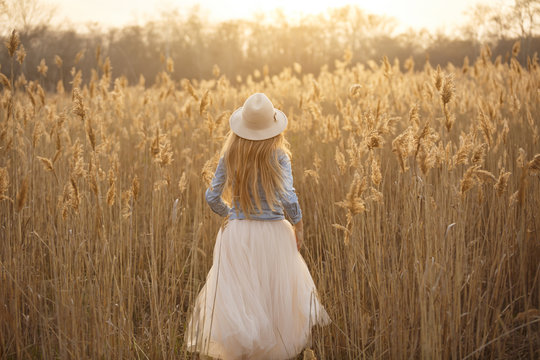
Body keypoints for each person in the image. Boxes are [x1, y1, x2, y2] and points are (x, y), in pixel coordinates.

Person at [185, 93, 331, 359]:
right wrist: (298, 225)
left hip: (237, 235)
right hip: (275, 235)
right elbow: (288, 196)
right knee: (274, 303)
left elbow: (211, 196)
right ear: (273, 129)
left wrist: (231, 214)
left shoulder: (231, 153)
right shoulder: (279, 156)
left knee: (241, 302)